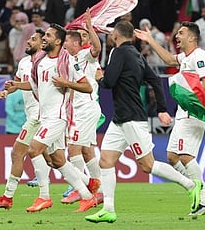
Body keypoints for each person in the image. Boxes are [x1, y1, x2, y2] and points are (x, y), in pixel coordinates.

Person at [85, 20, 203, 223]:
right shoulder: (137, 55)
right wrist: (162, 108)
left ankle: (192, 186)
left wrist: (98, 77)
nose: (177, 36)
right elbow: (157, 77)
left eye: (182, 33)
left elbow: (109, 82)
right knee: (106, 160)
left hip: (134, 118)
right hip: (120, 118)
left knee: (148, 165)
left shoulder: (119, 53)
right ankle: (109, 209)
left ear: (115, 35)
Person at [5, 24, 100, 213]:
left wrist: (66, 83)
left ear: (58, 41)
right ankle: (88, 196)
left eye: (48, 35)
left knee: (33, 149)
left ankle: (44, 197)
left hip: (58, 117)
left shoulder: (66, 61)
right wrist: (16, 85)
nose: (45, 38)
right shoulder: (40, 61)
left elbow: (87, 87)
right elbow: (33, 85)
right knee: (58, 161)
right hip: (45, 116)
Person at [135, 21, 205, 216]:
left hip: (195, 112)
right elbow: (169, 60)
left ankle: (202, 199)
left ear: (192, 37)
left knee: (185, 156)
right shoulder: (185, 57)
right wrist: (149, 40)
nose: (177, 36)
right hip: (183, 112)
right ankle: (194, 187)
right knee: (172, 157)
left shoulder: (199, 56)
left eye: (181, 33)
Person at [0, 30, 44, 209]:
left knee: (18, 153)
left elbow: (37, 85)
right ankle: (88, 189)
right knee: (54, 159)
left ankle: (8, 197)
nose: (28, 41)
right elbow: (17, 83)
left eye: (33, 39)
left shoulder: (45, 63)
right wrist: (8, 90)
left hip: (40, 114)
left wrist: (17, 85)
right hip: (34, 113)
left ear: (43, 44)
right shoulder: (25, 62)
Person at [61, 11, 103, 204]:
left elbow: (97, 47)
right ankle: (100, 189)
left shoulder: (87, 55)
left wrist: (89, 25)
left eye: (67, 41)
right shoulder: (69, 59)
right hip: (78, 108)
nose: (64, 44)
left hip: (86, 107)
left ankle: (80, 186)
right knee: (87, 151)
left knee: (73, 148)